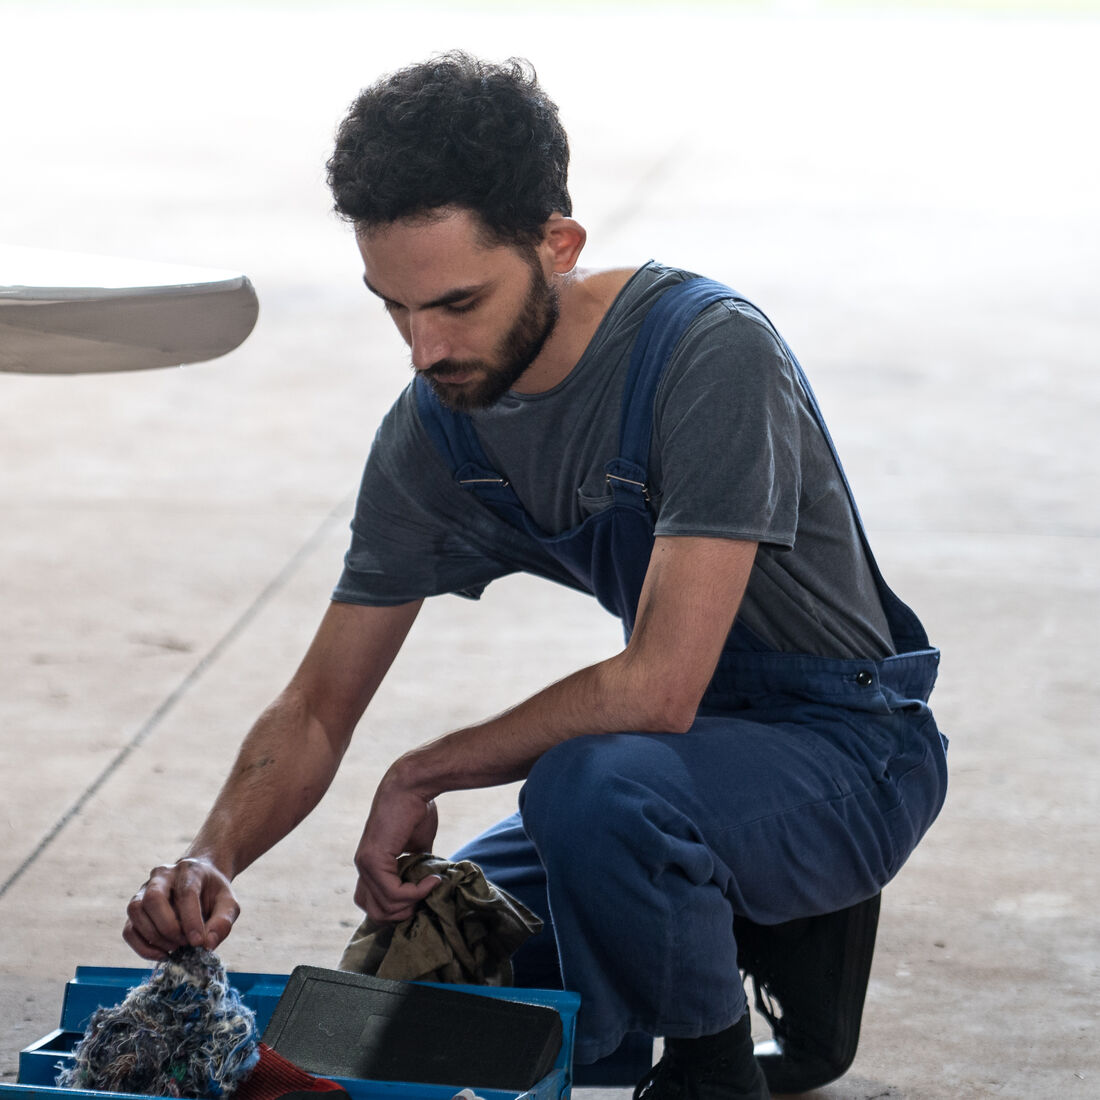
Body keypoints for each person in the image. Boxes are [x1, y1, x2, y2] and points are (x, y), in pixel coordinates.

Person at [123, 52, 948, 1100]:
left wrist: (421, 769)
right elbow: (319, 704)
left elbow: (657, 686)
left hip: (848, 750)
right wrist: (209, 854)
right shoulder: (434, 429)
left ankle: (710, 1067)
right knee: (431, 966)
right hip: (685, 761)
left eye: (458, 302)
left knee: (591, 790)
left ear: (555, 245)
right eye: (395, 308)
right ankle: (758, 937)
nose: (424, 349)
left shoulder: (704, 353)